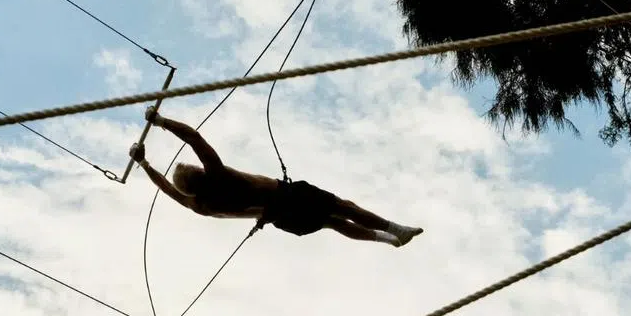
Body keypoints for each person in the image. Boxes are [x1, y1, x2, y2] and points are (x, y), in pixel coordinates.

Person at [129, 109, 423, 247]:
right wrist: (161, 122)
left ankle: (386, 240)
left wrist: (144, 164)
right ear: (197, 174)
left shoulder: (197, 205)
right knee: (343, 207)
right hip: (288, 197)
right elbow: (194, 138)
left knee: (332, 222)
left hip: (282, 219)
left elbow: (167, 189)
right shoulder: (216, 174)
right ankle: (395, 229)